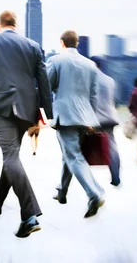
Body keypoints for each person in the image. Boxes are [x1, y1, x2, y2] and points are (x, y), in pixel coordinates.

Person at [0, 10, 53, 238]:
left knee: (10, 156)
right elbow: (43, 80)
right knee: (12, 156)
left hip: (0, 107)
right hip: (26, 109)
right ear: (16, 25)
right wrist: (46, 112)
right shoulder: (33, 45)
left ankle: (28, 215)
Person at [47, 32, 105, 218]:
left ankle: (94, 193)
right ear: (77, 44)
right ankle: (62, 192)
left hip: (66, 116)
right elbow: (94, 95)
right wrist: (92, 121)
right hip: (85, 116)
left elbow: (47, 85)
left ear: (62, 43)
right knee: (70, 155)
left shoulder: (56, 60)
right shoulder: (90, 65)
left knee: (74, 157)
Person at [90, 56, 121, 187]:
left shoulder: (89, 79)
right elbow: (114, 99)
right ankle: (116, 177)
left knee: (78, 148)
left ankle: (86, 181)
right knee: (112, 147)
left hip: (96, 118)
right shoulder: (110, 80)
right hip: (110, 117)